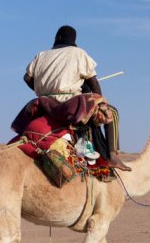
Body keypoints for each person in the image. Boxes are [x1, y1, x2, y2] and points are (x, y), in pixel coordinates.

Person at [24, 25, 130, 171]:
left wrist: (41, 90)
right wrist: (101, 103)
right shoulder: (78, 53)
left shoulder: (41, 55)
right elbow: (94, 82)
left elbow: (27, 78)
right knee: (113, 112)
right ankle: (112, 155)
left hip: (43, 102)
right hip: (68, 103)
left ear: (57, 38)